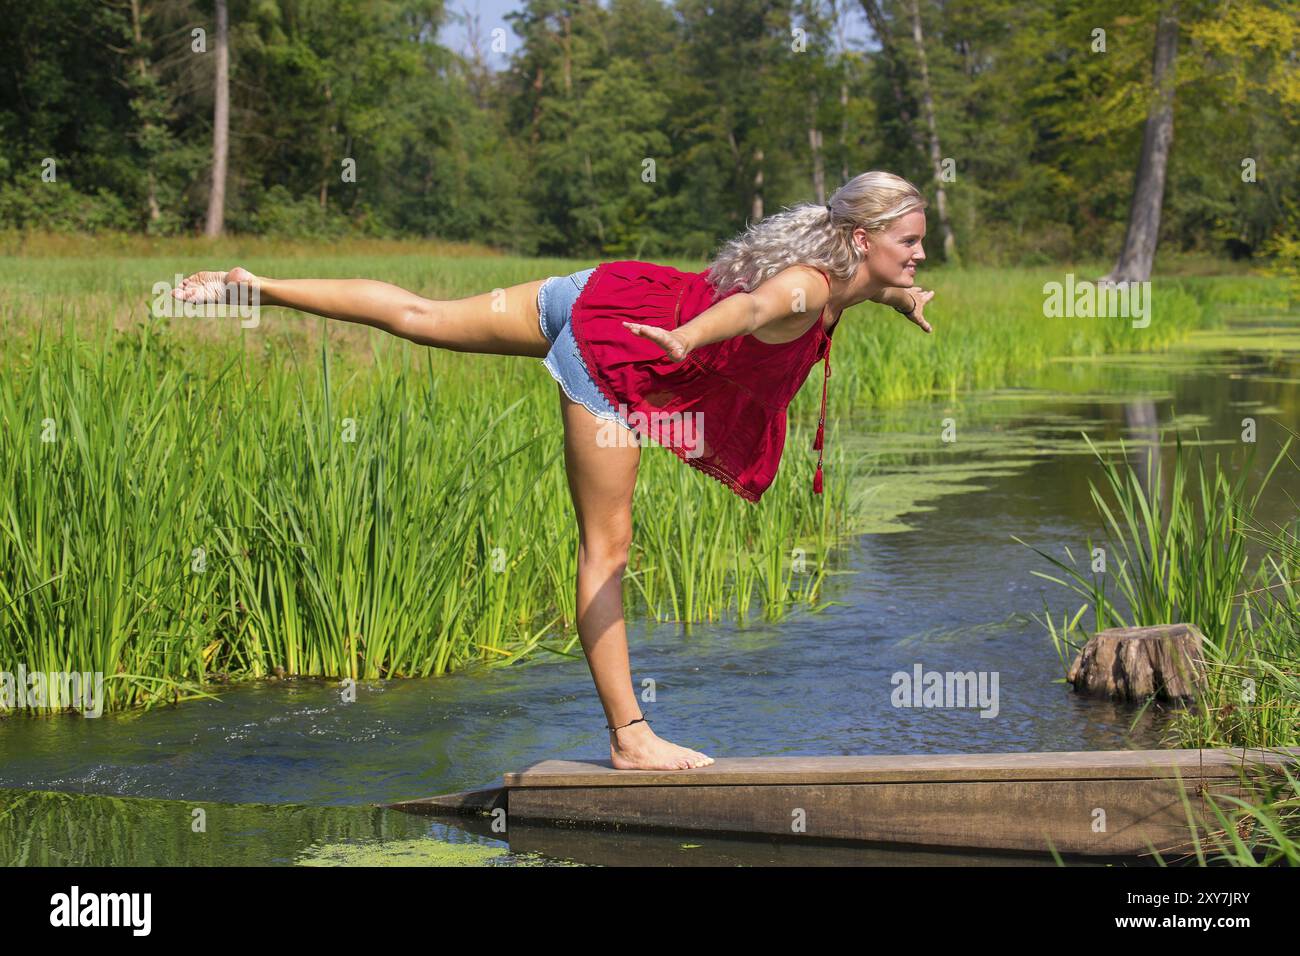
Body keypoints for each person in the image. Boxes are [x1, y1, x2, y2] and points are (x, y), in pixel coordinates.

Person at [171, 170, 936, 771]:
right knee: (607, 547)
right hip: (621, 355)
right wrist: (687, 338)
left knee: (425, 316)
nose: (919, 254)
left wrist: (902, 297)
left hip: (603, 290)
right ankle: (630, 736)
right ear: (862, 238)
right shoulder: (806, 286)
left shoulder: (855, 276)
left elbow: (854, 290)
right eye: (908, 242)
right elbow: (755, 308)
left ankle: (255, 287)